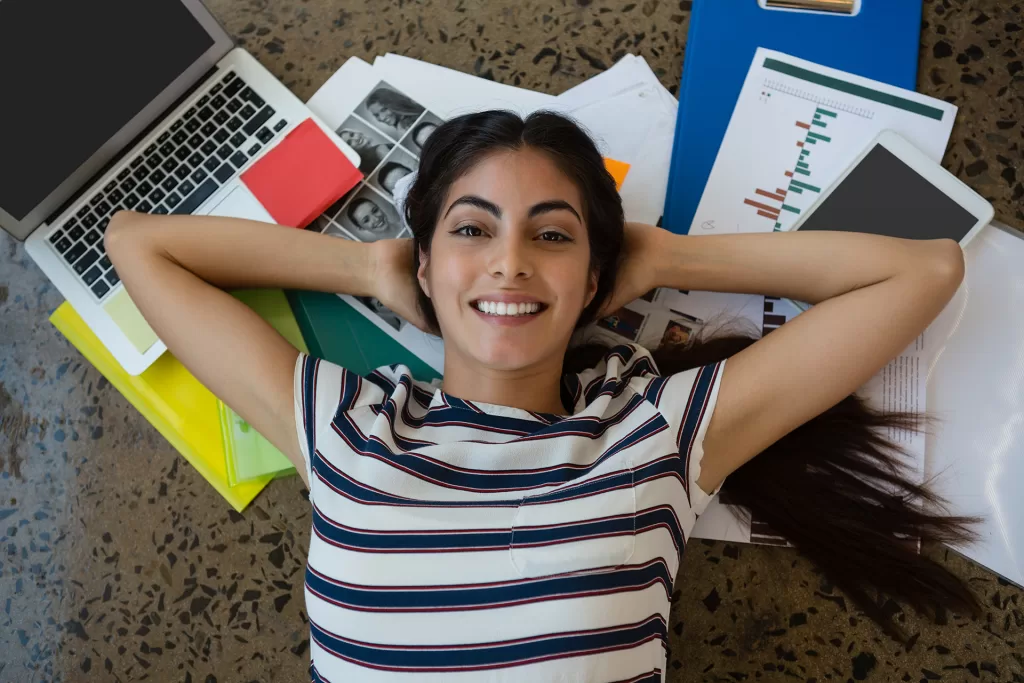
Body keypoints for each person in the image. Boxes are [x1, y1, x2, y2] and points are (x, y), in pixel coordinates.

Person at [105, 110, 978, 681]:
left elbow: (925, 268)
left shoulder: (653, 436)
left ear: (597, 275)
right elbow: (138, 243)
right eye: (472, 228)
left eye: (551, 234)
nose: (510, 260)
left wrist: (667, 256)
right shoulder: (349, 432)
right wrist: (371, 264)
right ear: (427, 261)